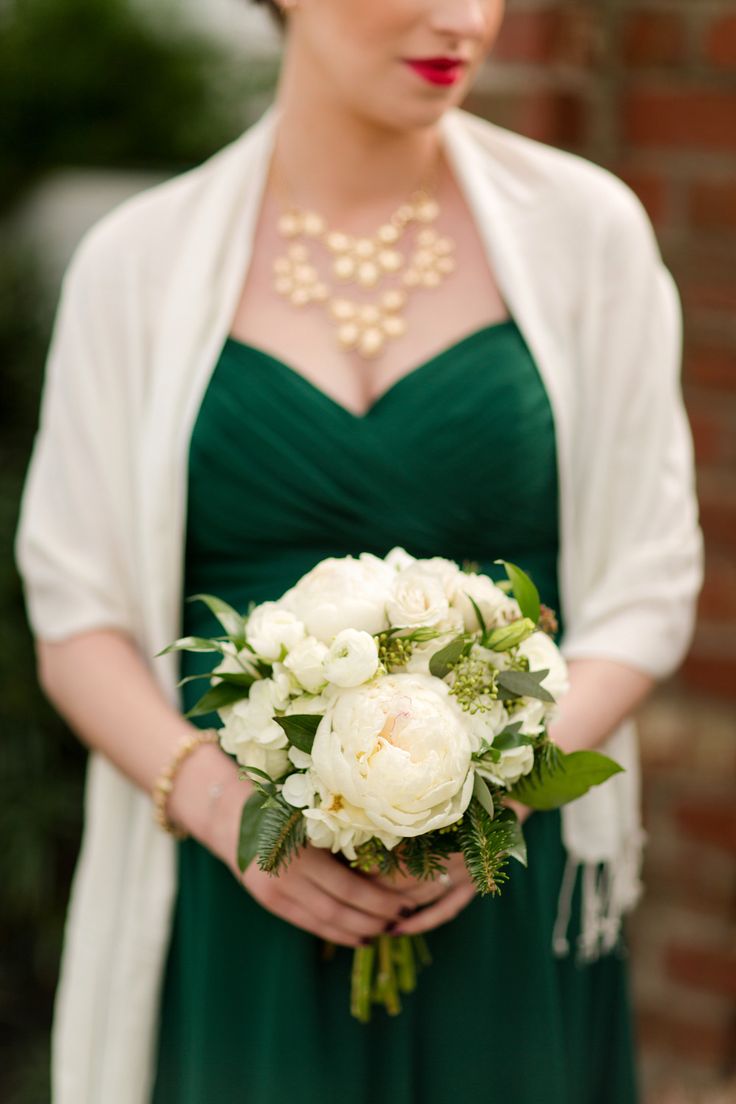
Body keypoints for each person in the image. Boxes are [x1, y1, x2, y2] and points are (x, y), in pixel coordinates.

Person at [14, 1, 703, 1101]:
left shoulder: (587, 231)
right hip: (236, 894)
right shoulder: (135, 265)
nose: (463, 18)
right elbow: (75, 609)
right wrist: (223, 811)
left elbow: (649, 586)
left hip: (497, 890)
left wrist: (493, 796)